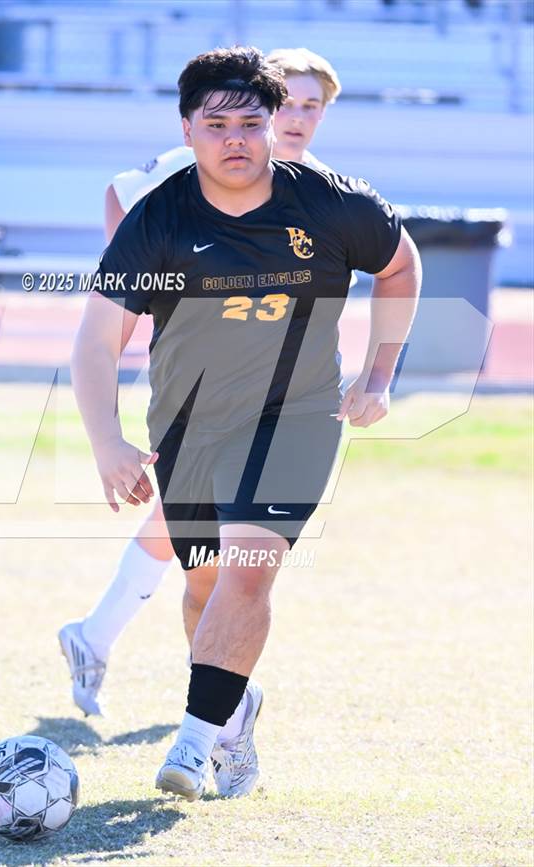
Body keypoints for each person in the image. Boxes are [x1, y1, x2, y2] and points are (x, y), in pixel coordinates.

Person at [69, 45, 421, 800]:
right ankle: (234, 706)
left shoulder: (330, 200)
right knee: (202, 589)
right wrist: (108, 440)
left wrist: (378, 374)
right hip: (190, 423)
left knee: (249, 571)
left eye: (252, 122)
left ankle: (193, 742)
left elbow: (400, 263)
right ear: (187, 130)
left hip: (296, 417)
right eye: (216, 122)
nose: (236, 137)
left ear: (274, 127)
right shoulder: (158, 218)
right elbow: (98, 340)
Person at [59, 47, 345, 716]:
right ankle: (209, 701)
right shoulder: (201, 164)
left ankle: (108, 643)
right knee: (214, 540)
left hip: (275, 397)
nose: (298, 119)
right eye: (291, 102)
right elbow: (122, 193)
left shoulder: (319, 187)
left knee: (216, 535)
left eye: (312, 107)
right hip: (198, 386)